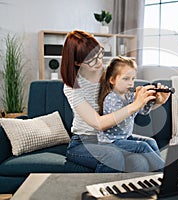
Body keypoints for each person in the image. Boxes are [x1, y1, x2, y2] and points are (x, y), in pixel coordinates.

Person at [60, 30, 170, 172]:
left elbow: (129, 105)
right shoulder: (73, 87)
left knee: (145, 150)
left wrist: (157, 102)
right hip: (85, 142)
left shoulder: (110, 75)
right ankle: (101, 192)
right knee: (113, 155)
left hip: (114, 138)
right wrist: (135, 105)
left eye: (99, 54)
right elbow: (98, 123)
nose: (99, 62)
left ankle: (161, 187)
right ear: (77, 62)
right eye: (92, 60)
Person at [98, 56, 169, 171]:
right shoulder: (111, 98)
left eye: (132, 79)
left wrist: (151, 99)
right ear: (112, 80)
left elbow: (143, 111)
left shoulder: (129, 95)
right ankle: (165, 173)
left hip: (125, 137)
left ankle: (156, 172)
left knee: (151, 141)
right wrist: (137, 103)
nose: (131, 83)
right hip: (111, 141)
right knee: (143, 146)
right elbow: (120, 121)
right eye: (126, 79)